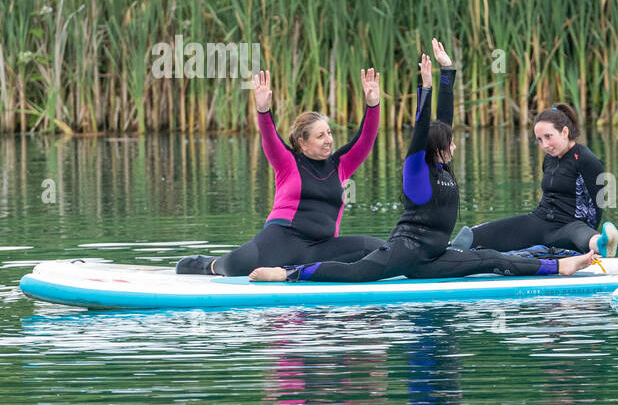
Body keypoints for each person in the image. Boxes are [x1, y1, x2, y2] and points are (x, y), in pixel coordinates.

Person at [249, 40, 595, 282]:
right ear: (440, 147)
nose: (455, 143)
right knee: (358, 273)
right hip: (405, 252)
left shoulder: (444, 166)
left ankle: (559, 268)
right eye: (451, 142)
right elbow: (421, 130)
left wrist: (447, 73)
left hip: (435, 256)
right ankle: (287, 273)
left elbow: (442, 122)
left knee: (490, 259)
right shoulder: (417, 169)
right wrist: (424, 89)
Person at [175, 68, 384, 276]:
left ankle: (294, 272)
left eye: (329, 133)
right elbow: (269, 137)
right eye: (320, 136)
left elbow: (366, 137)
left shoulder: (341, 165)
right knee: (234, 267)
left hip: (322, 247)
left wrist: (373, 104)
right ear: (302, 142)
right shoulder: (288, 163)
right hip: (280, 241)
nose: (329, 140)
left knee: (379, 248)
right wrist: (263, 110)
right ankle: (207, 264)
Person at [466, 104, 618, 257]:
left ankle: (602, 244)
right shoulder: (549, 160)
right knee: (473, 236)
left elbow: (596, 208)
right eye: (539, 140)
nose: (544, 145)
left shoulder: (586, 160)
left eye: (548, 137)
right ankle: (451, 250)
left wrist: (587, 242)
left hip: (570, 226)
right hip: (540, 221)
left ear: (565, 132)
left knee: (579, 233)